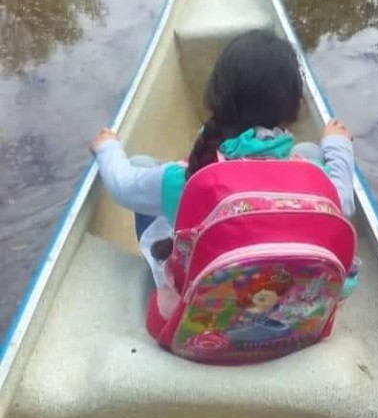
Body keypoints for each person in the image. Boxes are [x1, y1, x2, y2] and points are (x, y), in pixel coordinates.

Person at [91, 30, 355, 287]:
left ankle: (161, 282)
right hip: (289, 309)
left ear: (216, 96)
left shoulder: (183, 180)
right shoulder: (311, 175)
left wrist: (108, 148)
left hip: (205, 314)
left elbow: (122, 187)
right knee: (310, 150)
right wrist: (337, 143)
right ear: (292, 109)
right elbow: (342, 202)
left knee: (140, 165)